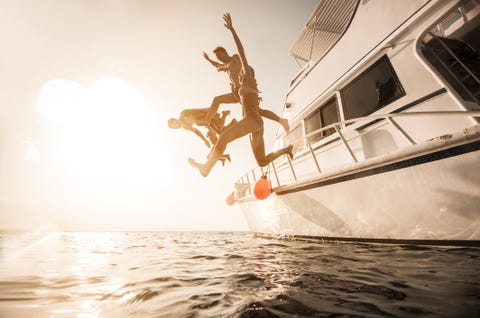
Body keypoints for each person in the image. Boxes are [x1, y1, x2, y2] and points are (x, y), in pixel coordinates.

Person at [189, 13, 293, 177]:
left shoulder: (248, 78)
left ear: (247, 73)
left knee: (223, 137)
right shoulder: (240, 85)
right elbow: (220, 66)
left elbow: (241, 51)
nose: (238, 75)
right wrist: (209, 60)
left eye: (242, 73)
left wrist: (232, 30)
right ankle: (287, 150)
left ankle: (207, 167)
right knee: (262, 161)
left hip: (252, 119)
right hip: (255, 124)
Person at [203, 47, 289, 133]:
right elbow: (217, 65)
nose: (219, 59)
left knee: (258, 111)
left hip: (245, 91)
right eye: (218, 57)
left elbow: (240, 64)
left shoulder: (235, 58)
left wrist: (226, 68)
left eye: (219, 56)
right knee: (217, 100)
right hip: (236, 94)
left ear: (224, 53)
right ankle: (206, 121)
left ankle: (281, 120)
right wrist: (208, 59)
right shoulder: (226, 65)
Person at [168, 108, 233, 165]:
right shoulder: (185, 126)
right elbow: (196, 131)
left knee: (219, 128)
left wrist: (210, 111)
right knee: (216, 138)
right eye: (174, 128)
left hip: (207, 114)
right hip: (207, 122)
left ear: (174, 120)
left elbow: (197, 110)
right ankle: (225, 115)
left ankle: (226, 115)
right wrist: (205, 140)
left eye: (174, 126)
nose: (176, 128)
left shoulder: (183, 114)